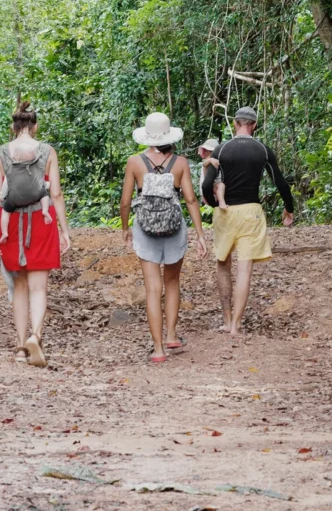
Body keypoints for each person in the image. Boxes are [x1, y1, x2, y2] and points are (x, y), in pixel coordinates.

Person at [120, 112, 207, 363]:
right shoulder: (180, 163)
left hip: (145, 228)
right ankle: (170, 335)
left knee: (152, 288)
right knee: (171, 282)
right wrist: (200, 234)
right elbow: (190, 199)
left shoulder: (134, 162)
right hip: (174, 226)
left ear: (147, 137)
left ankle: (158, 349)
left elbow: (126, 201)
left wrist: (125, 227)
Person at [0, 102, 72, 367]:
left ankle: (20, 346)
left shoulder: (0, 153)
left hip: (11, 222)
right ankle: (36, 336)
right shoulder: (48, 151)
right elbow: (56, 194)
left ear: (13, 127)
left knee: (20, 286)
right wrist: (64, 230)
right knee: (39, 286)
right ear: (35, 126)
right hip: (41, 219)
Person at [201, 107, 295, 335]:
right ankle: (236, 324)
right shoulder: (262, 150)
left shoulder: (221, 149)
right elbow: (280, 182)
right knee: (244, 270)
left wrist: (215, 206)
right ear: (254, 125)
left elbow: (206, 185)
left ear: (235, 124)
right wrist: (289, 209)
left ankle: (225, 319)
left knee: (223, 264)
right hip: (251, 212)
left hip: (226, 212)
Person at [0, 145, 53, 244]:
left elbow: (6, 185)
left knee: (5, 212)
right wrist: (46, 185)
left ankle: (5, 232)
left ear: (17, 157)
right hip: (35, 195)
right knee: (44, 194)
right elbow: (39, 182)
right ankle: (45, 210)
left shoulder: (11, 168)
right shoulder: (36, 168)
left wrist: (2, 196)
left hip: (15, 199)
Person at [196, 138, 220, 207]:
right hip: (206, 194)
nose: (204, 152)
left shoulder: (214, 162)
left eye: (206, 150)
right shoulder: (208, 161)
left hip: (212, 194)